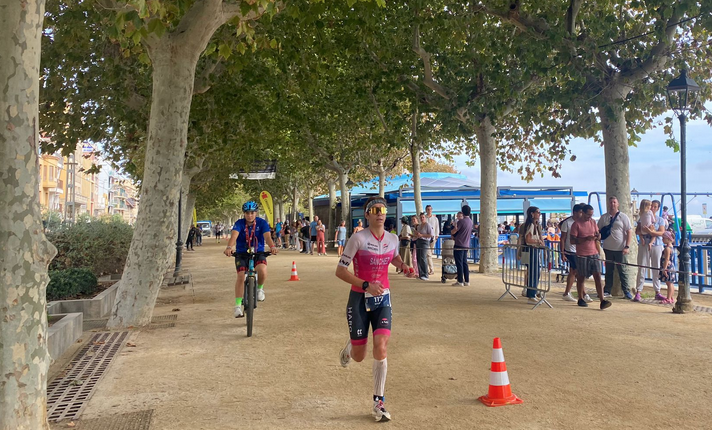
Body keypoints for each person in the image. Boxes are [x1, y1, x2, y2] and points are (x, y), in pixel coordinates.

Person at [335, 196, 415, 422]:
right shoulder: (357, 238)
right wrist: (365, 284)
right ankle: (351, 346)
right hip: (359, 298)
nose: (381, 213)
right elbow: (340, 271)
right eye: (375, 209)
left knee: (381, 346)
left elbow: (394, 258)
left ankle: (378, 402)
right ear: (367, 215)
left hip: (383, 300)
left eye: (383, 209)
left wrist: (404, 266)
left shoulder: (392, 238)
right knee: (359, 357)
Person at [223, 201, 278, 318]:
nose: (250, 215)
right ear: (244, 213)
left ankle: (260, 289)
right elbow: (234, 235)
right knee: (241, 276)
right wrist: (229, 247)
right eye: (247, 213)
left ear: (256, 213)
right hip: (242, 253)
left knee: (262, 270)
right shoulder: (239, 223)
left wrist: (272, 247)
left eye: (252, 213)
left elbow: (267, 236)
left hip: (259, 252)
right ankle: (238, 306)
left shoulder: (262, 223)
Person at [571, 205, 611, 310]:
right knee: (581, 277)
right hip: (582, 254)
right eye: (588, 214)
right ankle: (580, 297)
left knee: (598, 275)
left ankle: (602, 300)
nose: (589, 217)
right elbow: (572, 240)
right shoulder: (576, 224)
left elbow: (598, 234)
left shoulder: (593, 222)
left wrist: (598, 236)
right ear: (583, 213)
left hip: (594, 252)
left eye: (591, 215)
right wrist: (585, 239)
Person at [598, 196, 634, 299]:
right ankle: (607, 290)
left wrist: (627, 246)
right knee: (609, 270)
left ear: (617, 204)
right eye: (611, 202)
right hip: (607, 248)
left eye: (614, 202)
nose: (612, 204)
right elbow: (598, 230)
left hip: (620, 249)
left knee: (622, 270)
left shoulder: (623, 217)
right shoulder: (604, 217)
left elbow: (629, 231)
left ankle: (626, 290)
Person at [634, 200, 667, 302]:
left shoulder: (660, 220)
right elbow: (637, 230)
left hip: (656, 245)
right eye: (651, 206)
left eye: (655, 207)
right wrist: (644, 234)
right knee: (642, 266)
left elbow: (662, 232)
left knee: (656, 267)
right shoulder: (643, 217)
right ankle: (638, 291)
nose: (652, 208)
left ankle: (657, 291)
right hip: (644, 244)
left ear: (657, 208)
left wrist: (651, 232)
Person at [560, 204, 589, 302]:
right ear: (575, 212)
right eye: (580, 212)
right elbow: (563, 238)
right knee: (577, 271)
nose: (581, 214)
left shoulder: (582, 222)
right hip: (570, 250)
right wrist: (562, 252)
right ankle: (582, 293)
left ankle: (568, 292)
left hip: (580, 250)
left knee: (574, 271)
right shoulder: (567, 223)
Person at [519, 206, 545, 304]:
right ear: (532, 214)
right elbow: (528, 240)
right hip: (531, 250)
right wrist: (538, 241)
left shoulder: (536, 225)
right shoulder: (530, 225)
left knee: (534, 272)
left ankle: (533, 292)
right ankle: (531, 294)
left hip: (532, 251)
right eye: (538, 212)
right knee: (533, 273)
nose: (539, 214)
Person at [450, 204, 473, 286]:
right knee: (464, 263)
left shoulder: (461, 221)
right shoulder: (470, 221)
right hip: (466, 244)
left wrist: (453, 229)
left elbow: (454, 231)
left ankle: (460, 280)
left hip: (459, 243)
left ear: (463, 212)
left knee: (459, 263)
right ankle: (467, 280)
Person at [413, 212, 433, 281]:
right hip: (419, 241)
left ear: (425, 218)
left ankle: (425, 274)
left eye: (423, 217)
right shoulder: (419, 226)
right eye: (421, 217)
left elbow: (431, 235)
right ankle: (421, 274)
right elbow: (418, 235)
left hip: (425, 242)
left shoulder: (427, 225)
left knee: (423, 257)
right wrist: (415, 234)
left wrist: (422, 235)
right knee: (419, 257)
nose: (422, 219)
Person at [659, 231, 677, 304]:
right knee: (671, 283)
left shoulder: (667, 248)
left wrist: (664, 268)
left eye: (664, 238)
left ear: (668, 239)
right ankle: (670, 297)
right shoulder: (671, 247)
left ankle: (668, 298)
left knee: (669, 283)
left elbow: (666, 259)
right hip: (671, 267)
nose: (662, 239)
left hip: (668, 267)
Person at [424, 205, 440, 276]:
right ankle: (431, 269)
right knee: (428, 254)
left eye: (430, 209)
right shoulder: (424, 218)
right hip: (426, 238)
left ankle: (429, 269)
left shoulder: (435, 219)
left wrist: (437, 235)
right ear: (426, 210)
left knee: (430, 253)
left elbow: (437, 227)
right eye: (428, 209)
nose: (429, 210)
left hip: (433, 238)